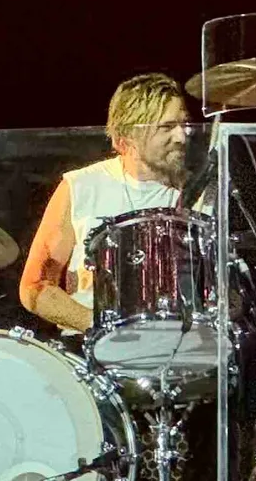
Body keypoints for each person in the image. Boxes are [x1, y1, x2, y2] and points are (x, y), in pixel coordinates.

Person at [19, 73, 192, 335]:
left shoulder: (202, 189)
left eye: (185, 124)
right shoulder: (81, 186)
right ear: (129, 136)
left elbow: (228, 295)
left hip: (179, 347)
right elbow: (35, 286)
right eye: (167, 127)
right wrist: (103, 327)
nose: (182, 136)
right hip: (91, 346)